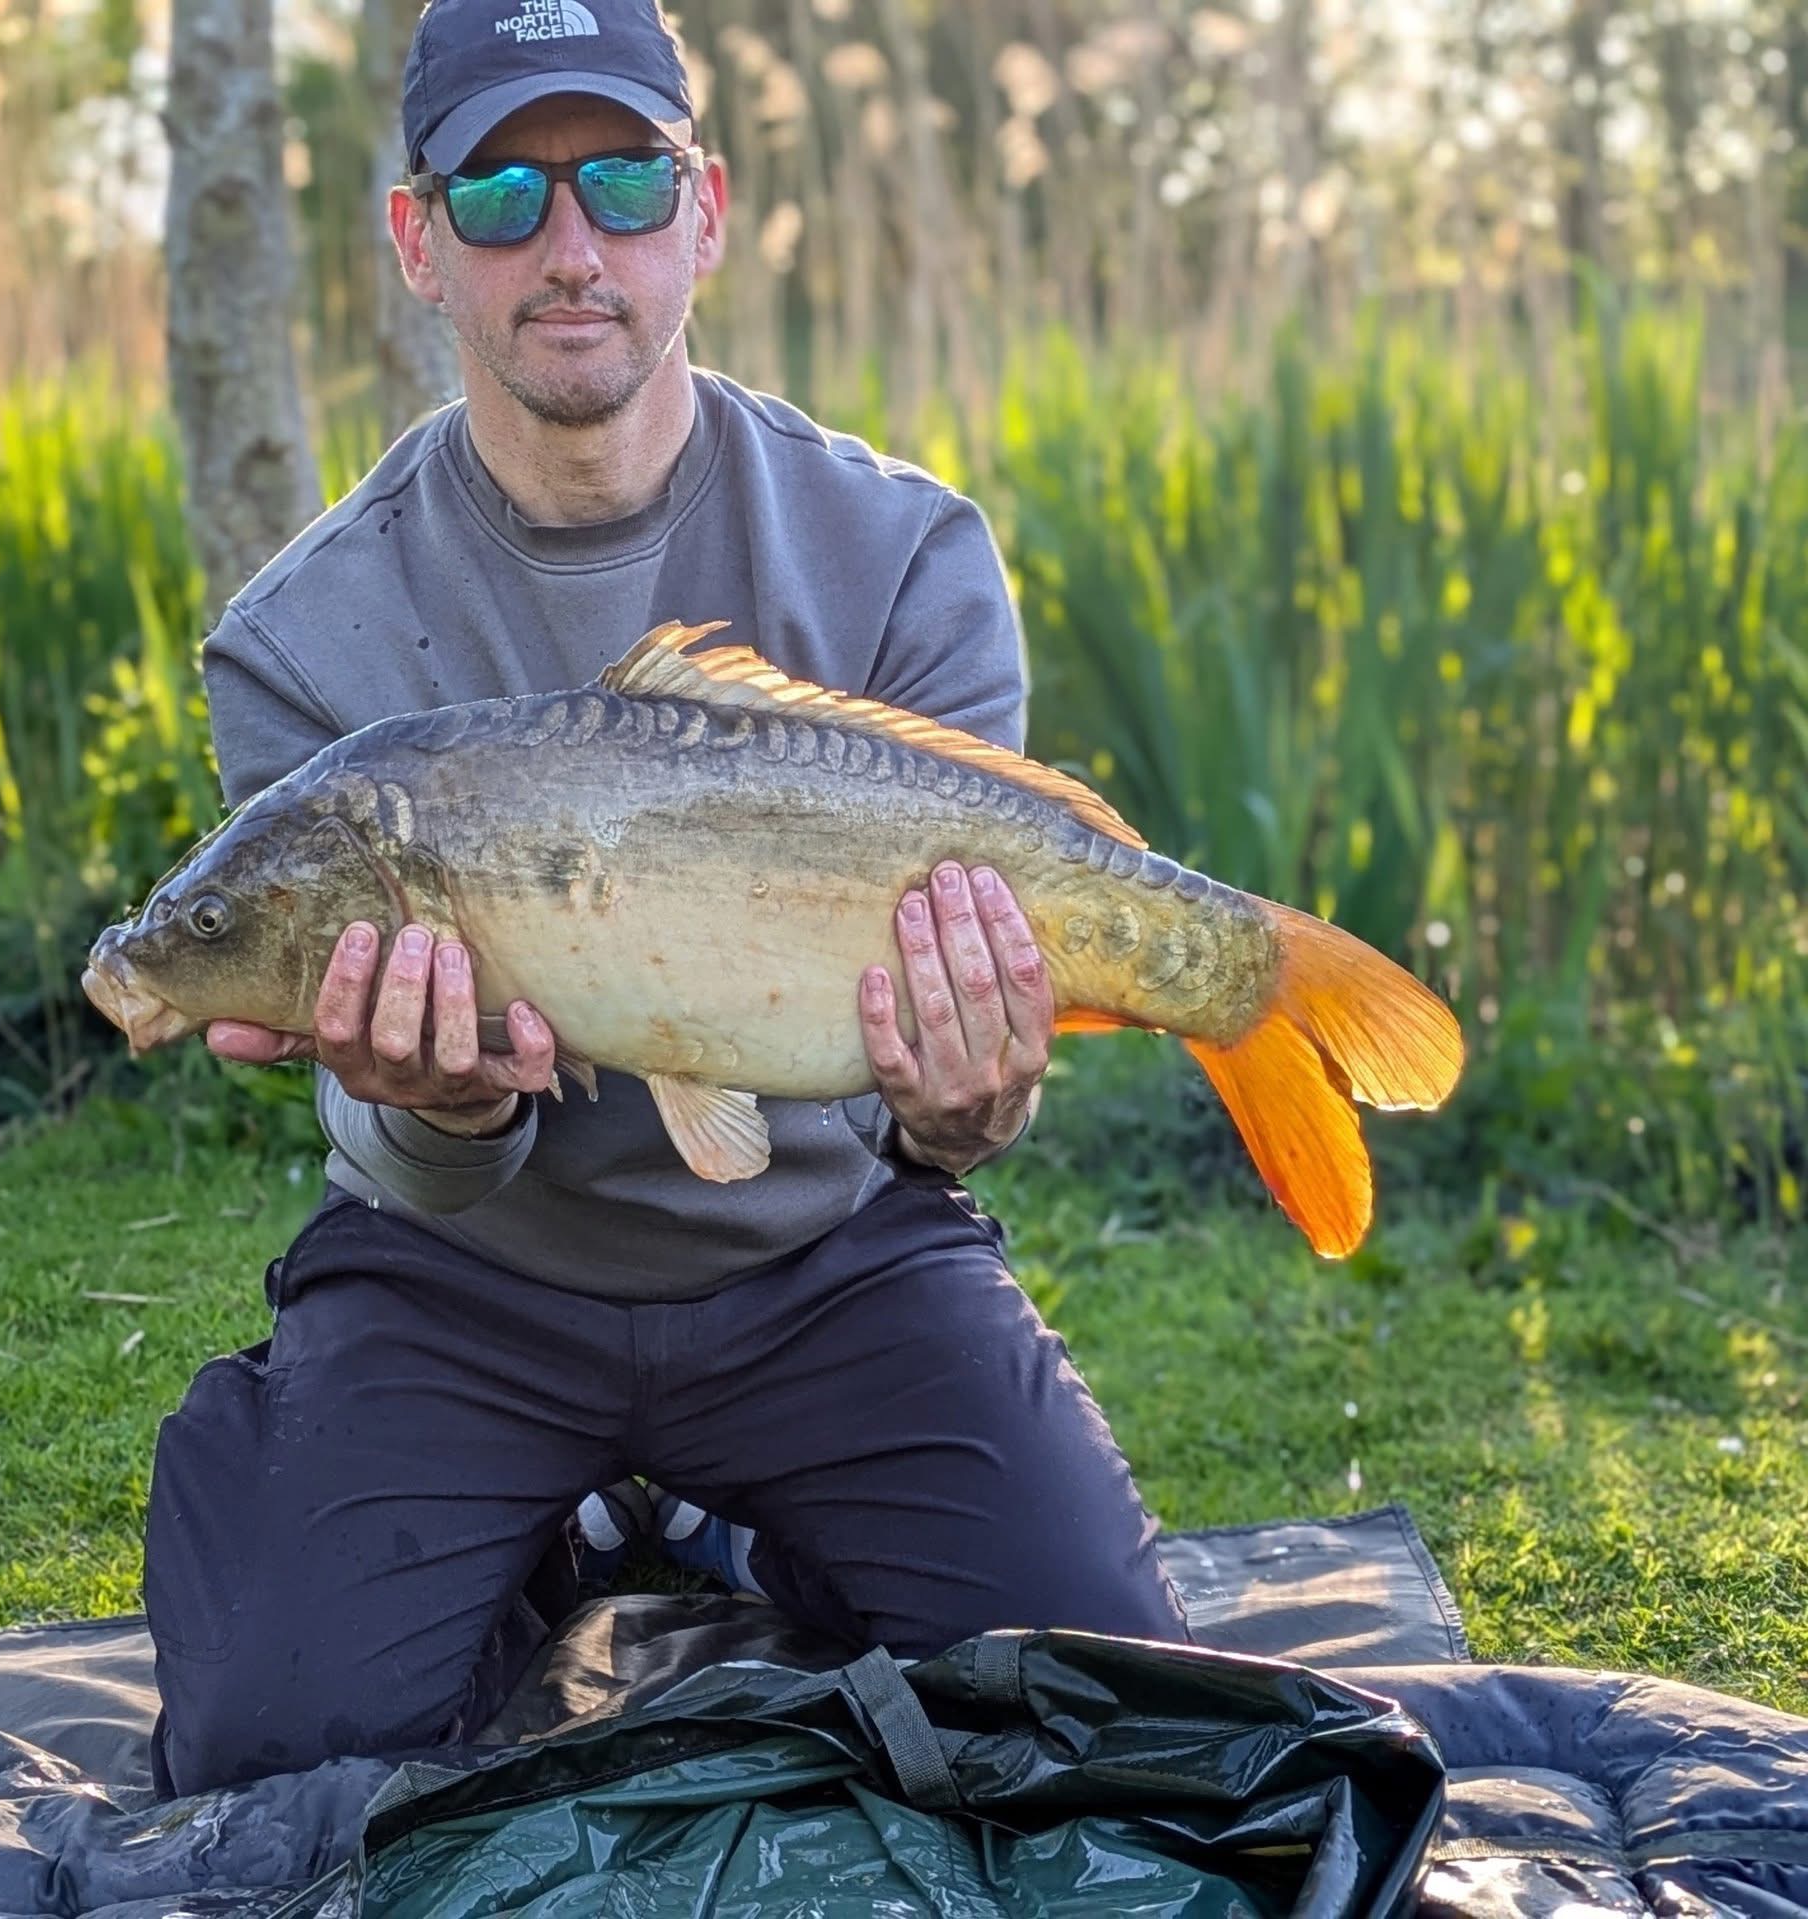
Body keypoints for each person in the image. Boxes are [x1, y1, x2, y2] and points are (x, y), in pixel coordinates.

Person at [140, 0, 1190, 1797]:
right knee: (273, 1750)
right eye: (503, 195)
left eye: (623, 181)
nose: (571, 246)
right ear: (418, 240)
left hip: (823, 1261)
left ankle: (762, 1521)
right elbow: (395, 1142)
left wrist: (975, 1104)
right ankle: (523, 1530)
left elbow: (945, 1127)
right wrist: (446, 1109)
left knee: (1090, 1697)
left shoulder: (905, 553)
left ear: (702, 211)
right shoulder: (299, 646)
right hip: (463, 1283)